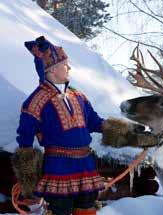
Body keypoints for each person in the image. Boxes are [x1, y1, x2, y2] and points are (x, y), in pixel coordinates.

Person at [13, 36, 105, 215]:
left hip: (85, 165)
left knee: (87, 208)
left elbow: (94, 121)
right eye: (65, 64)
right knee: (60, 210)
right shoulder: (35, 101)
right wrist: (28, 173)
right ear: (52, 70)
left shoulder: (78, 96)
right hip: (57, 167)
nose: (69, 68)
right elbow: (24, 137)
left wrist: (128, 132)